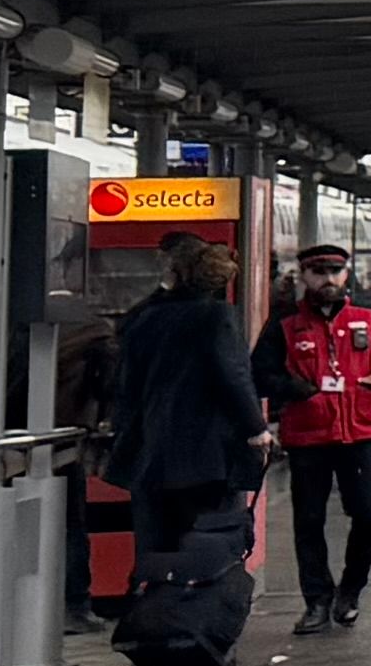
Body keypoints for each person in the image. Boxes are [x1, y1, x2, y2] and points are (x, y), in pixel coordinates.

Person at [252, 241, 371, 637]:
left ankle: (351, 590)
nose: (328, 279)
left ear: (346, 274)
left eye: (335, 272)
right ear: (304, 276)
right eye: (319, 272)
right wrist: (297, 388)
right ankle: (317, 601)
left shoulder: (369, 316)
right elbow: (259, 373)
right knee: (309, 521)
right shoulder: (285, 322)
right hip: (309, 436)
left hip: (362, 432)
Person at [90, 238, 263, 580]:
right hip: (206, 455)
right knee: (206, 540)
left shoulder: (146, 317)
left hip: (149, 451)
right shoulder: (216, 316)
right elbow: (233, 376)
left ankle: (153, 614)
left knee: (155, 543)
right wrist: (256, 428)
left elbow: (123, 382)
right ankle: (192, 614)